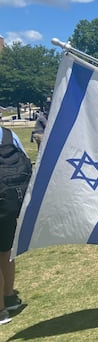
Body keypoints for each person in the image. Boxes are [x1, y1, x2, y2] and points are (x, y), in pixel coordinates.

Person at [0, 127, 29, 325]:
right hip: (10, 202)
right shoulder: (9, 135)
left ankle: (0, 311)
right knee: (5, 251)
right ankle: (9, 297)